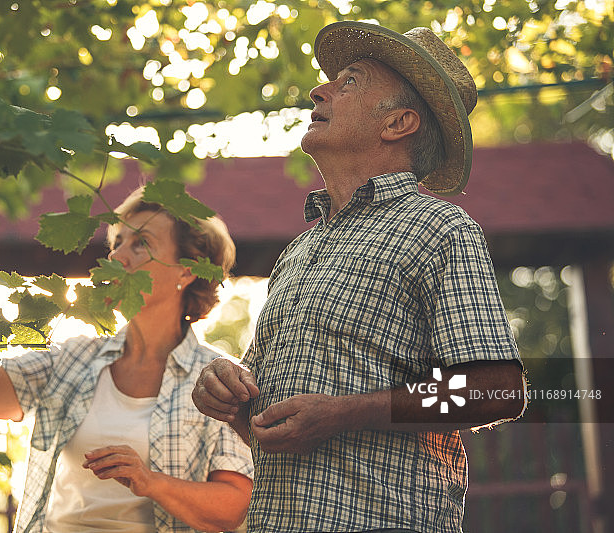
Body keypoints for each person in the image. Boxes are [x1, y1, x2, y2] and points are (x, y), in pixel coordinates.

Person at [191, 21, 526, 533]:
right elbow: (267, 425)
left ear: (398, 123)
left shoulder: (439, 229)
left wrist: (346, 412)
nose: (318, 89)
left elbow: (496, 390)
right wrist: (227, 393)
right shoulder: (299, 251)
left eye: (349, 81)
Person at [0, 186, 253, 533]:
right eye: (117, 242)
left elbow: (232, 507)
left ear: (187, 271)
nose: (118, 256)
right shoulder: (74, 357)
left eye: (141, 243)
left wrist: (149, 481)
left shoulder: (217, 378)